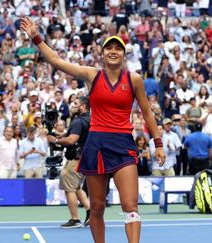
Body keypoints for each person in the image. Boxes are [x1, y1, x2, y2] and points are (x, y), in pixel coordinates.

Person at [21, 18, 165, 243]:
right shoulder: (92, 75)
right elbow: (56, 61)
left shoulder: (134, 79)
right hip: (96, 146)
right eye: (109, 48)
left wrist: (158, 144)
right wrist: (36, 37)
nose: (113, 51)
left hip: (123, 145)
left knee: (130, 206)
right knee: (96, 207)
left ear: (124, 53)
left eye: (118, 48)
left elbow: (147, 113)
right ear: (103, 53)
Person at [46, 96, 91, 228]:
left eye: (76, 103)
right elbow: (79, 138)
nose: (72, 105)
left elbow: (72, 140)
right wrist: (61, 137)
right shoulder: (89, 119)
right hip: (84, 158)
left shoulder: (78, 121)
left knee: (69, 188)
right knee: (76, 187)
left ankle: (75, 219)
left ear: (82, 107)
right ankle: (90, 212)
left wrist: (54, 140)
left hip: (74, 160)